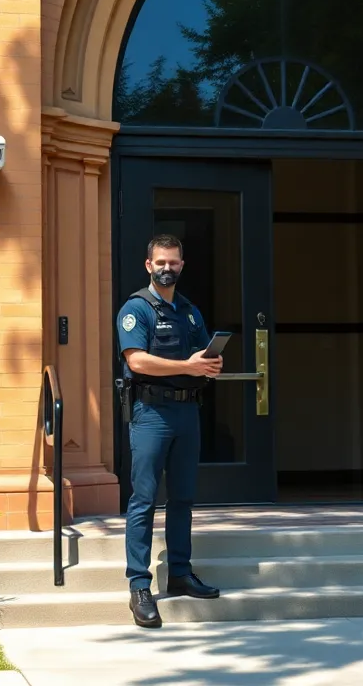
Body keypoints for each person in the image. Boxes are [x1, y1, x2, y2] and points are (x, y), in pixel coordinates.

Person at [116, 233, 223, 629]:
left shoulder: (190, 310)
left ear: (182, 264)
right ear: (149, 265)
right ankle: (140, 586)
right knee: (144, 499)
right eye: (161, 261)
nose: (167, 267)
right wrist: (189, 367)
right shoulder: (136, 308)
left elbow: (201, 356)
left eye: (174, 262)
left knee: (183, 499)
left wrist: (209, 364)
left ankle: (179, 573)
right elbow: (137, 360)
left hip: (186, 413)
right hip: (152, 413)